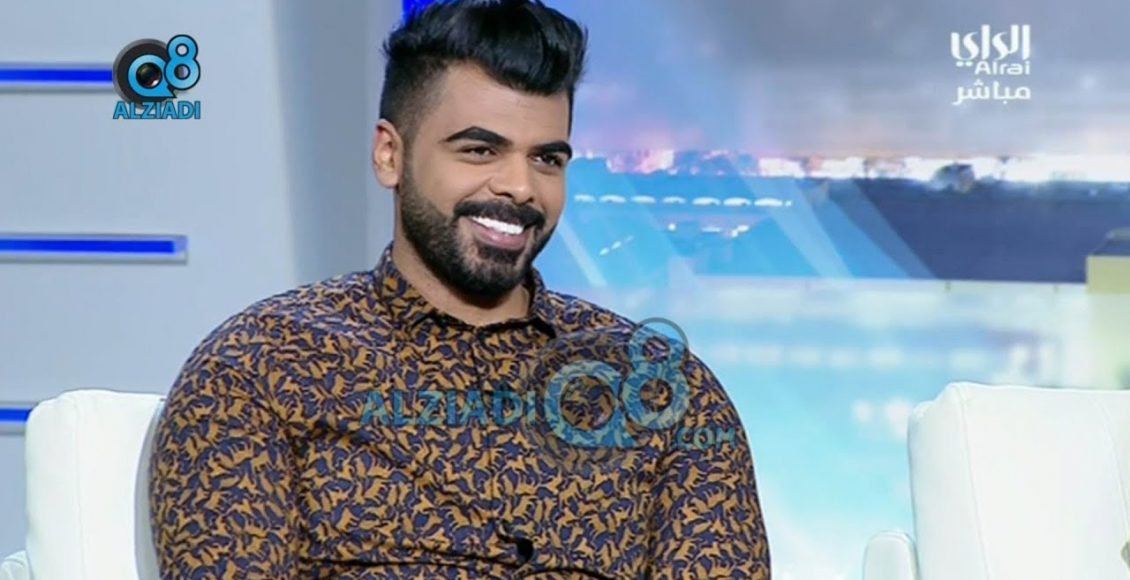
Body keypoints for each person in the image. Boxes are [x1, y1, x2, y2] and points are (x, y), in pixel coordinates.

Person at [149, 0, 770, 577]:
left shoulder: (663, 390)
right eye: (479, 150)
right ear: (390, 155)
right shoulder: (261, 365)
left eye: (547, 159)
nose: (520, 187)